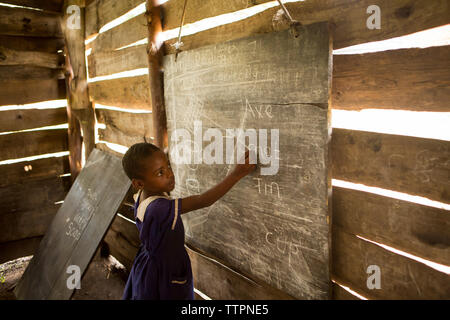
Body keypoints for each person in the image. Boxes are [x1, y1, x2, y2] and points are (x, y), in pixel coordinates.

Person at [121, 142, 256, 300]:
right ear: (138, 183)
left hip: (149, 264)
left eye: (168, 166)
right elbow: (203, 201)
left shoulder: (143, 195)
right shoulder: (159, 208)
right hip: (165, 274)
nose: (170, 174)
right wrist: (236, 174)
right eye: (160, 173)